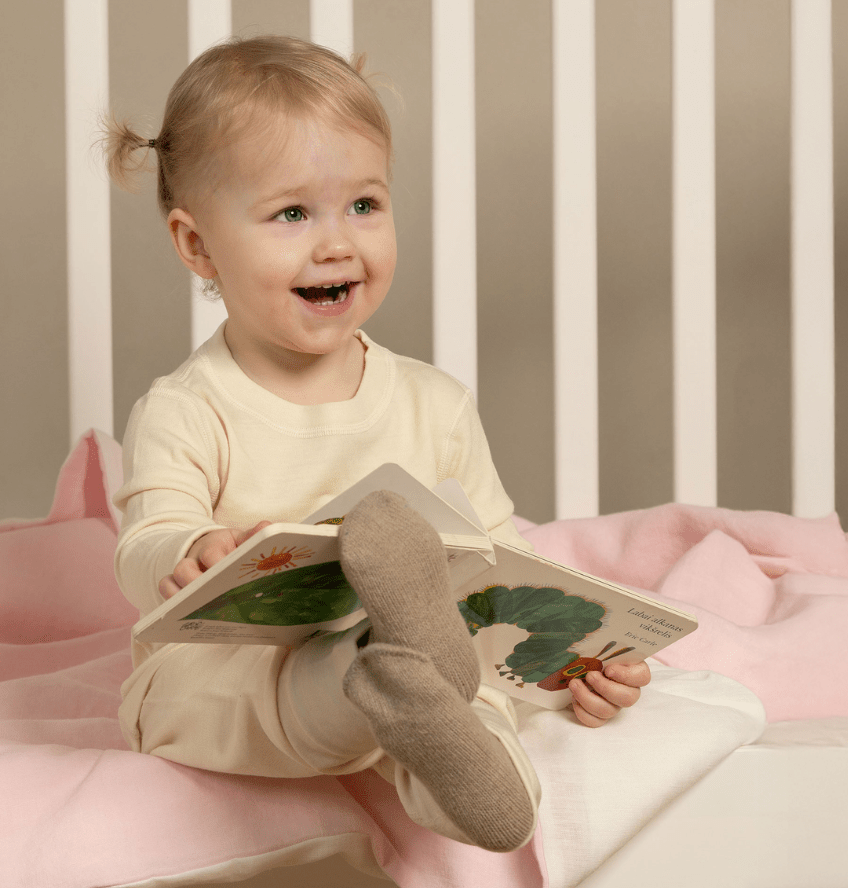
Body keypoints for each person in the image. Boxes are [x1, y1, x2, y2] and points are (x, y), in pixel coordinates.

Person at [102, 35, 649, 852]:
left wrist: (570, 670)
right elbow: (145, 545)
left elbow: (495, 565)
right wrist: (191, 550)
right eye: (292, 213)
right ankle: (390, 684)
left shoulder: (435, 403)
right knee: (295, 688)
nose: (337, 242)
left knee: (466, 689)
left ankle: (472, 770)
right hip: (231, 671)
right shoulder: (189, 408)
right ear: (198, 245)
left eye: (364, 204)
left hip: (430, 657)